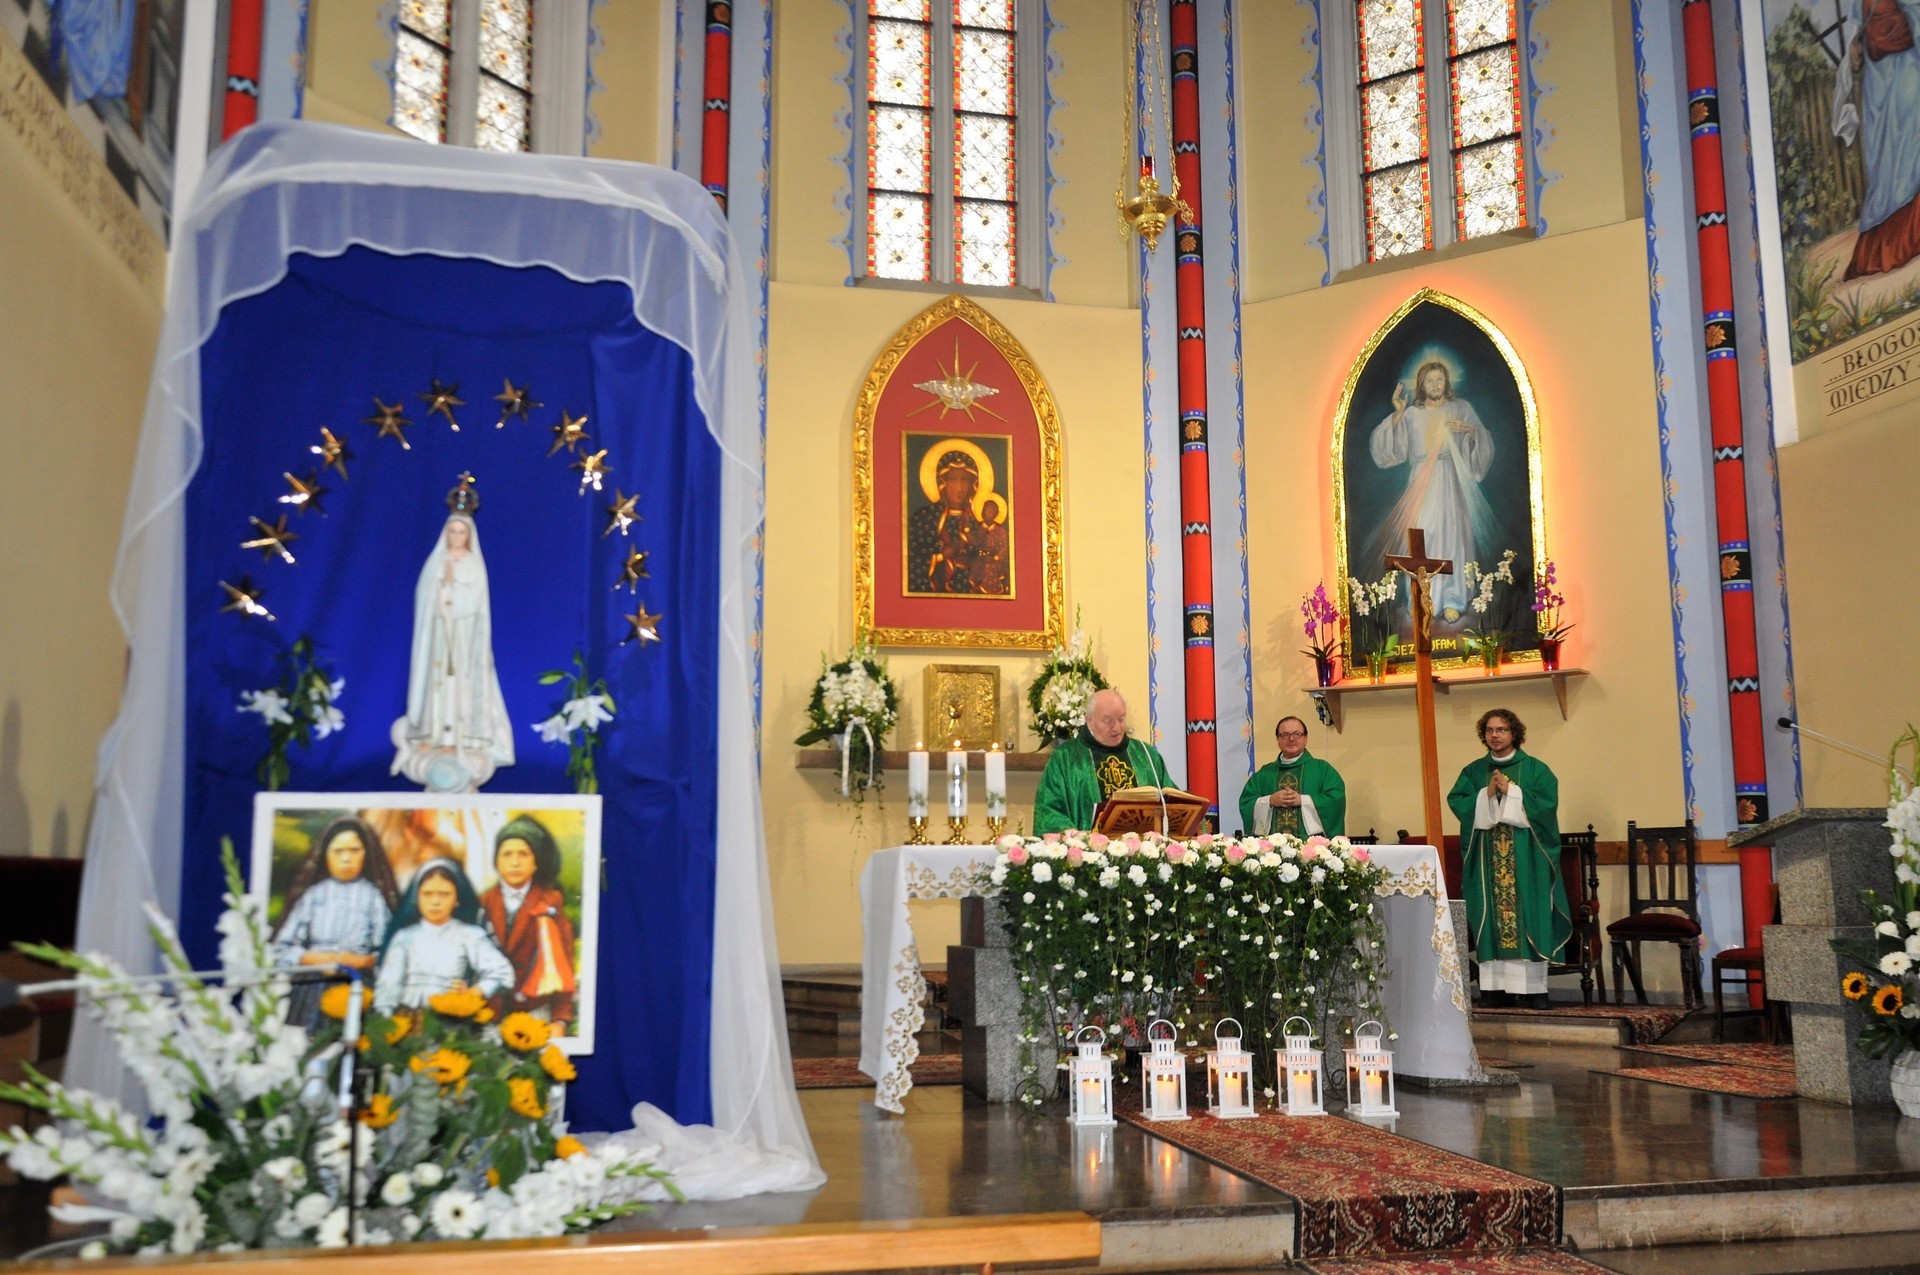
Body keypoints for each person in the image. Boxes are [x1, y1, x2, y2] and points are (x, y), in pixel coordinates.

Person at [1446, 709, 1570, 1009]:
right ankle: (1494, 990)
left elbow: (1546, 806)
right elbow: (1458, 801)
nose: (1495, 735)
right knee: (1490, 918)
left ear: (1514, 733)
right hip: (1486, 860)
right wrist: (1485, 795)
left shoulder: (1536, 770)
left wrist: (1512, 793)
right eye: (1489, 730)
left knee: (1529, 914)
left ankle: (1534, 991)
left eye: (1501, 729)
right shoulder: (1473, 772)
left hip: (1527, 861)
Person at [391, 502, 515, 792]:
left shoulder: (473, 564)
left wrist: (454, 589)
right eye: (453, 531)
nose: (456, 537)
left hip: (463, 639)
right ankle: (433, 737)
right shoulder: (436, 561)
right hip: (437, 638)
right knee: (437, 688)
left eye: (461, 532)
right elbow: (425, 598)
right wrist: (440, 589)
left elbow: (476, 602)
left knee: (460, 688)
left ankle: (458, 740)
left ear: (468, 536)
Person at [1367, 360, 1496, 622]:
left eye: (1439, 379)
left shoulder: (1461, 408)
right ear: (1421, 385)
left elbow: (1483, 440)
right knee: (1423, 536)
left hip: (1451, 479)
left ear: (1446, 382)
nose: (1435, 385)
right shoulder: (1412, 414)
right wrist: (1398, 414)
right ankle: (1423, 597)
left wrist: (1471, 431)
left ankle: (1452, 599)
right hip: (1421, 482)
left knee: (1453, 535)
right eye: (1430, 381)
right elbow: (1388, 452)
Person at [271, 816, 399, 1031]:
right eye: (338, 851)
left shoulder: (373, 897)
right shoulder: (313, 896)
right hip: (312, 986)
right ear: (325, 855)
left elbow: (389, 952)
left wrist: (362, 961)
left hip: (357, 984)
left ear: (366, 853)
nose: (346, 859)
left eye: (354, 850)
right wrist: (320, 959)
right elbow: (281, 949)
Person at [1839, 0, 1920, 279]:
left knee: (1911, 153)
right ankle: (1884, 248)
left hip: (1908, 69)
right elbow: (1855, 25)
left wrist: (1892, 28)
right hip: (1878, 81)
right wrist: (1855, 44)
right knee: (1885, 166)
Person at [373, 859, 515, 1014]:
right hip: (408, 1016)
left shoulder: (469, 935)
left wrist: (473, 993)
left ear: (457, 899)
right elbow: (388, 986)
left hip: (451, 1018)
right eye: (427, 894)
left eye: (444, 894)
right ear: (417, 897)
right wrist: (386, 1020)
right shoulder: (405, 937)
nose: (435, 902)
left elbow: (503, 972)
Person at [477, 815, 578, 1031]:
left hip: (535, 1011)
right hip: (491, 1014)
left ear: (535, 863)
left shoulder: (550, 902)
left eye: (523, 854)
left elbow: (564, 963)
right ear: (497, 862)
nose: (515, 862)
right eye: (507, 854)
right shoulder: (483, 903)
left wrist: (560, 1020)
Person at [1034, 689, 1175, 834]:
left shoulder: (1145, 755)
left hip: (1144, 847)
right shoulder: (1065, 758)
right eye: (1108, 721)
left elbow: (1172, 800)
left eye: (1121, 719)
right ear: (1089, 721)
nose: (1117, 727)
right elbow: (1049, 811)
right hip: (1089, 848)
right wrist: (1074, 835)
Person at [1238, 716, 1347, 838]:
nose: (1291, 739)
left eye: (1297, 734)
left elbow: (1335, 800)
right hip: (1273, 848)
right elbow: (1246, 803)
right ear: (1277, 739)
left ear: (1306, 738)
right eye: (1285, 735)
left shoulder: (1322, 770)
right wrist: (1270, 801)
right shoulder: (1265, 773)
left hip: (1312, 847)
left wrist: (1303, 800)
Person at [908, 449, 990, 595]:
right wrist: (941, 556)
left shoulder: (977, 523)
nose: (959, 488)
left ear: (973, 485)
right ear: (942, 483)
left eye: (965, 480)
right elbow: (912, 562)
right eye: (952, 479)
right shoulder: (924, 519)